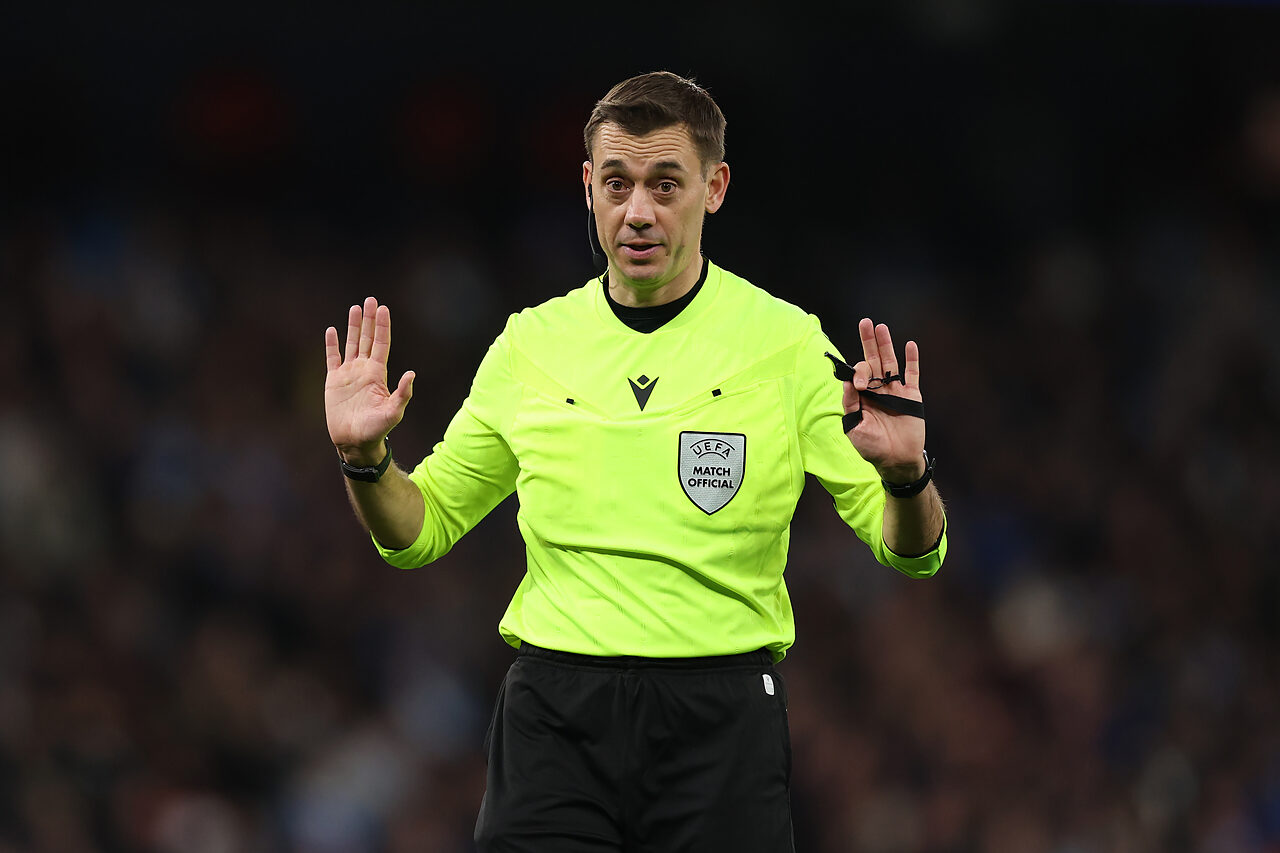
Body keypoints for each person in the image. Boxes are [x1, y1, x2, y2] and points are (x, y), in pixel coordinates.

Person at [323, 71, 946, 852]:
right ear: (588, 186)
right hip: (556, 717)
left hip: (719, 723)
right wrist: (365, 459)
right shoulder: (530, 345)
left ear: (714, 187)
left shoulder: (786, 344)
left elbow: (910, 549)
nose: (638, 211)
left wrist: (905, 476)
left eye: (665, 183)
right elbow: (420, 529)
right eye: (616, 183)